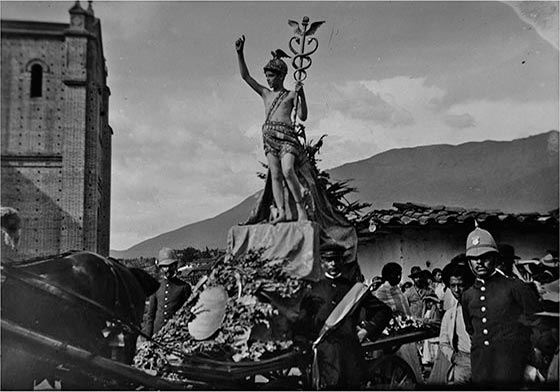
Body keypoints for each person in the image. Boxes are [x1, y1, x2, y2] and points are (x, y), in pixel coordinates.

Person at [291, 243, 392, 389]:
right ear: (322, 262)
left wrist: (367, 330)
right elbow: (301, 322)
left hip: (350, 353)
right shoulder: (312, 289)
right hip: (324, 356)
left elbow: (384, 311)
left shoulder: (354, 288)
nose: (333, 264)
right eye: (328, 260)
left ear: (342, 261)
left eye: (336, 259)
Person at [235, 34, 308, 223]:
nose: (268, 79)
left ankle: (301, 209)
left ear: (282, 76)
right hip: (269, 139)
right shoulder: (265, 93)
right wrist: (240, 53)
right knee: (275, 175)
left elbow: (302, 116)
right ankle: (282, 211)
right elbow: (245, 76)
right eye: (266, 76)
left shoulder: (291, 95)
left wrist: (302, 95)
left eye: (271, 76)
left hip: (287, 138)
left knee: (288, 170)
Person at [461, 227, 541, 388]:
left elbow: (537, 323)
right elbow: (471, 330)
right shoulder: (468, 295)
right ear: (469, 262)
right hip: (482, 369)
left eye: (484, 257)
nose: (479, 262)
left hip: (511, 369)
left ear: (495, 258)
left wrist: (530, 364)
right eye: (474, 258)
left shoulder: (515, 288)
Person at [375, 262, 425, 383]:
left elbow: (405, 310)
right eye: (395, 274)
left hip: (404, 329)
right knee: (393, 366)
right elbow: (381, 313)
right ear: (388, 275)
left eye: (399, 274)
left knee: (410, 363)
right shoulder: (381, 292)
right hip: (390, 334)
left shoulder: (397, 290)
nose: (398, 277)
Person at [437, 262, 473, 386]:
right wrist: (453, 357)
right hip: (462, 364)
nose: (457, 290)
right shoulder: (450, 314)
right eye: (453, 286)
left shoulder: (481, 310)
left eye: (461, 285)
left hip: (484, 363)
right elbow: (443, 342)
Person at [143, 247, 192, 337]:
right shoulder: (156, 287)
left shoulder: (184, 287)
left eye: (170, 266)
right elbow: (151, 315)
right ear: (161, 268)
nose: (168, 269)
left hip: (176, 334)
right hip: (157, 333)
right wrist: (148, 337)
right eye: (164, 266)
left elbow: (188, 314)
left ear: (175, 266)